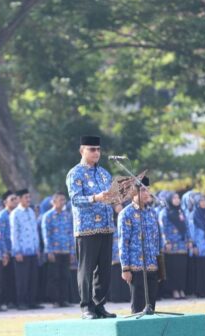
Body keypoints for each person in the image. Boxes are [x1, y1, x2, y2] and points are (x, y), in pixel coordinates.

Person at [65, 135, 116, 319]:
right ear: (82, 151)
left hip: (106, 226)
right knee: (86, 270)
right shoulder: (75, 173)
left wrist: (120, 197)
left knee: (104, 270)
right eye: (91, 149)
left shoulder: (104, 173)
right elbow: (75, 200)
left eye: (98, 149)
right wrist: (95, 198)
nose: (96, 153)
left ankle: (99, 305)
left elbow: (111, 198)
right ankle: (86, 307)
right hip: (87, 228)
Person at [118, 177, 162, 314]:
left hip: (152, 265)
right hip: (136, 267)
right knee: (138, 308)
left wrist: (159, 262)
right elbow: (123, 242)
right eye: (143, 190)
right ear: (133, 192)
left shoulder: (152, 213)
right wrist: (125, 268)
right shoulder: (126, 214)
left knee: (151, 307)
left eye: (147, 190)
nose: (147, 193)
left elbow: (157, 239)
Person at [9, 188, 42, 310]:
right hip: (21, 251)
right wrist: (16, 251)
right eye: (26, 197)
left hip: (33, 250)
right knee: (22, 279)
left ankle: (32, 301)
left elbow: (35, 231)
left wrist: (37, 247)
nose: (28, 199)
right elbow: (14, 233)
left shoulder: (31, 212)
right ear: (19, 199)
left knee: (33, 278)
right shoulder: (15, 214)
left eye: (29, 197)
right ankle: (21, 303)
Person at [41, 192, 75, 308]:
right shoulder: (48, 216)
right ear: (53, 202)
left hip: (65, 250)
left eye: (64, 200)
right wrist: (49, 250)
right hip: (54, 251)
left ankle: (64, 300)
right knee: (54, 276)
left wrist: (72, 251)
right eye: (60, 200)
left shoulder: (67, 215)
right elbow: (46, 235)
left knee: (65, 276)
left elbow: (71, 233)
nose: (63, 202)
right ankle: (55, 300)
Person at [159, 191, 191, 299]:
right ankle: (174, 291)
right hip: (171, 246)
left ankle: (181, 289)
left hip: (182, 245)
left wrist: (189, 240)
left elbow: (186, 227)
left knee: (182, 269)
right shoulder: (165, 212)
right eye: (174, 198)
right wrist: (166, 242)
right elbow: (163, 229)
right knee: (173, 269)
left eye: (178, 198)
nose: (177, 200)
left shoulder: (181, 212)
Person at [0, 191, 18, 308]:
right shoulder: (2, 215)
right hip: (7, 251)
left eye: (16, 199)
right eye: (12, 199)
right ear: (5, 202)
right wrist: (4, 252)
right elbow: (1, 236)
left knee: (16, 277)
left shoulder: (17, 213)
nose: (15, 201)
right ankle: (7, 301)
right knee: (7, 278)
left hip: (16, 250)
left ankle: (14, 300)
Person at [108, 202, 130, 303]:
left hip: (124, 251)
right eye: (117, 205)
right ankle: (115, 296)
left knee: (125, 272)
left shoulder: (125, 218)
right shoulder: (109, 220)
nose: (119, 206)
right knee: (115, 275)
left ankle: (126, 296)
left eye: (120, 204)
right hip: (113, 251)